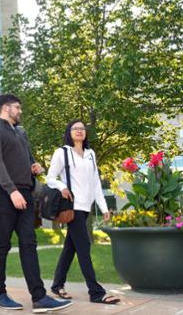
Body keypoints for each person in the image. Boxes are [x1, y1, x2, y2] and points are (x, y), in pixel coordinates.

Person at [0, 94, 72, 312]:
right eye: (17, 108)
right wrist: (11, 191)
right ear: (5, 108)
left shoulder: (21, 132)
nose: (20, 111)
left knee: (29, 243)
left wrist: (34, 166)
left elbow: (28, 157)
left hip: (25, 193)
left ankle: (39, 297)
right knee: (2, 243)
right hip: (4, 194)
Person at [46, 120, 121, 305]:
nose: (79, 131)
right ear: (69, 132)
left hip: (85, 207)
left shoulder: (90, 154)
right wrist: (62, 186)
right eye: (75, 128)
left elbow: (96, 183)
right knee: (84, 247)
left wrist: (103, 207)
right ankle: (96, 292)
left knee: (70, 248)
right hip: (72, 207)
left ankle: (57, 285)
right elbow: (50, 178)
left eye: (82, 129)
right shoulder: (62, 152)